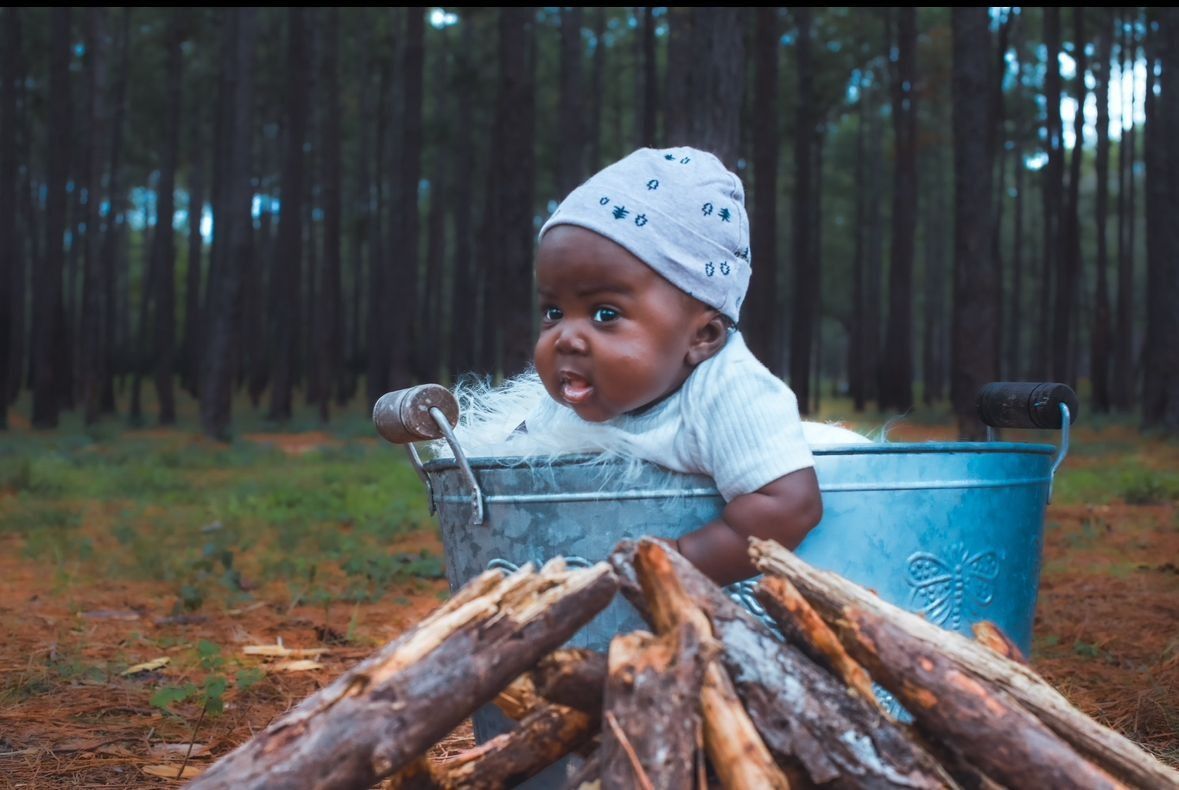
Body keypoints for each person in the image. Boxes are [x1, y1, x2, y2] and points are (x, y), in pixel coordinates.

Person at [527, 146, 823, 585]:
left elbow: (791, 506)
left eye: (604, 314)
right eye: (553, 312)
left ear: (702, 338)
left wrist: (683, 558)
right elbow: (516, 462)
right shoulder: (583, 389)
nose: (566, 338)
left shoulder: (732, 393)